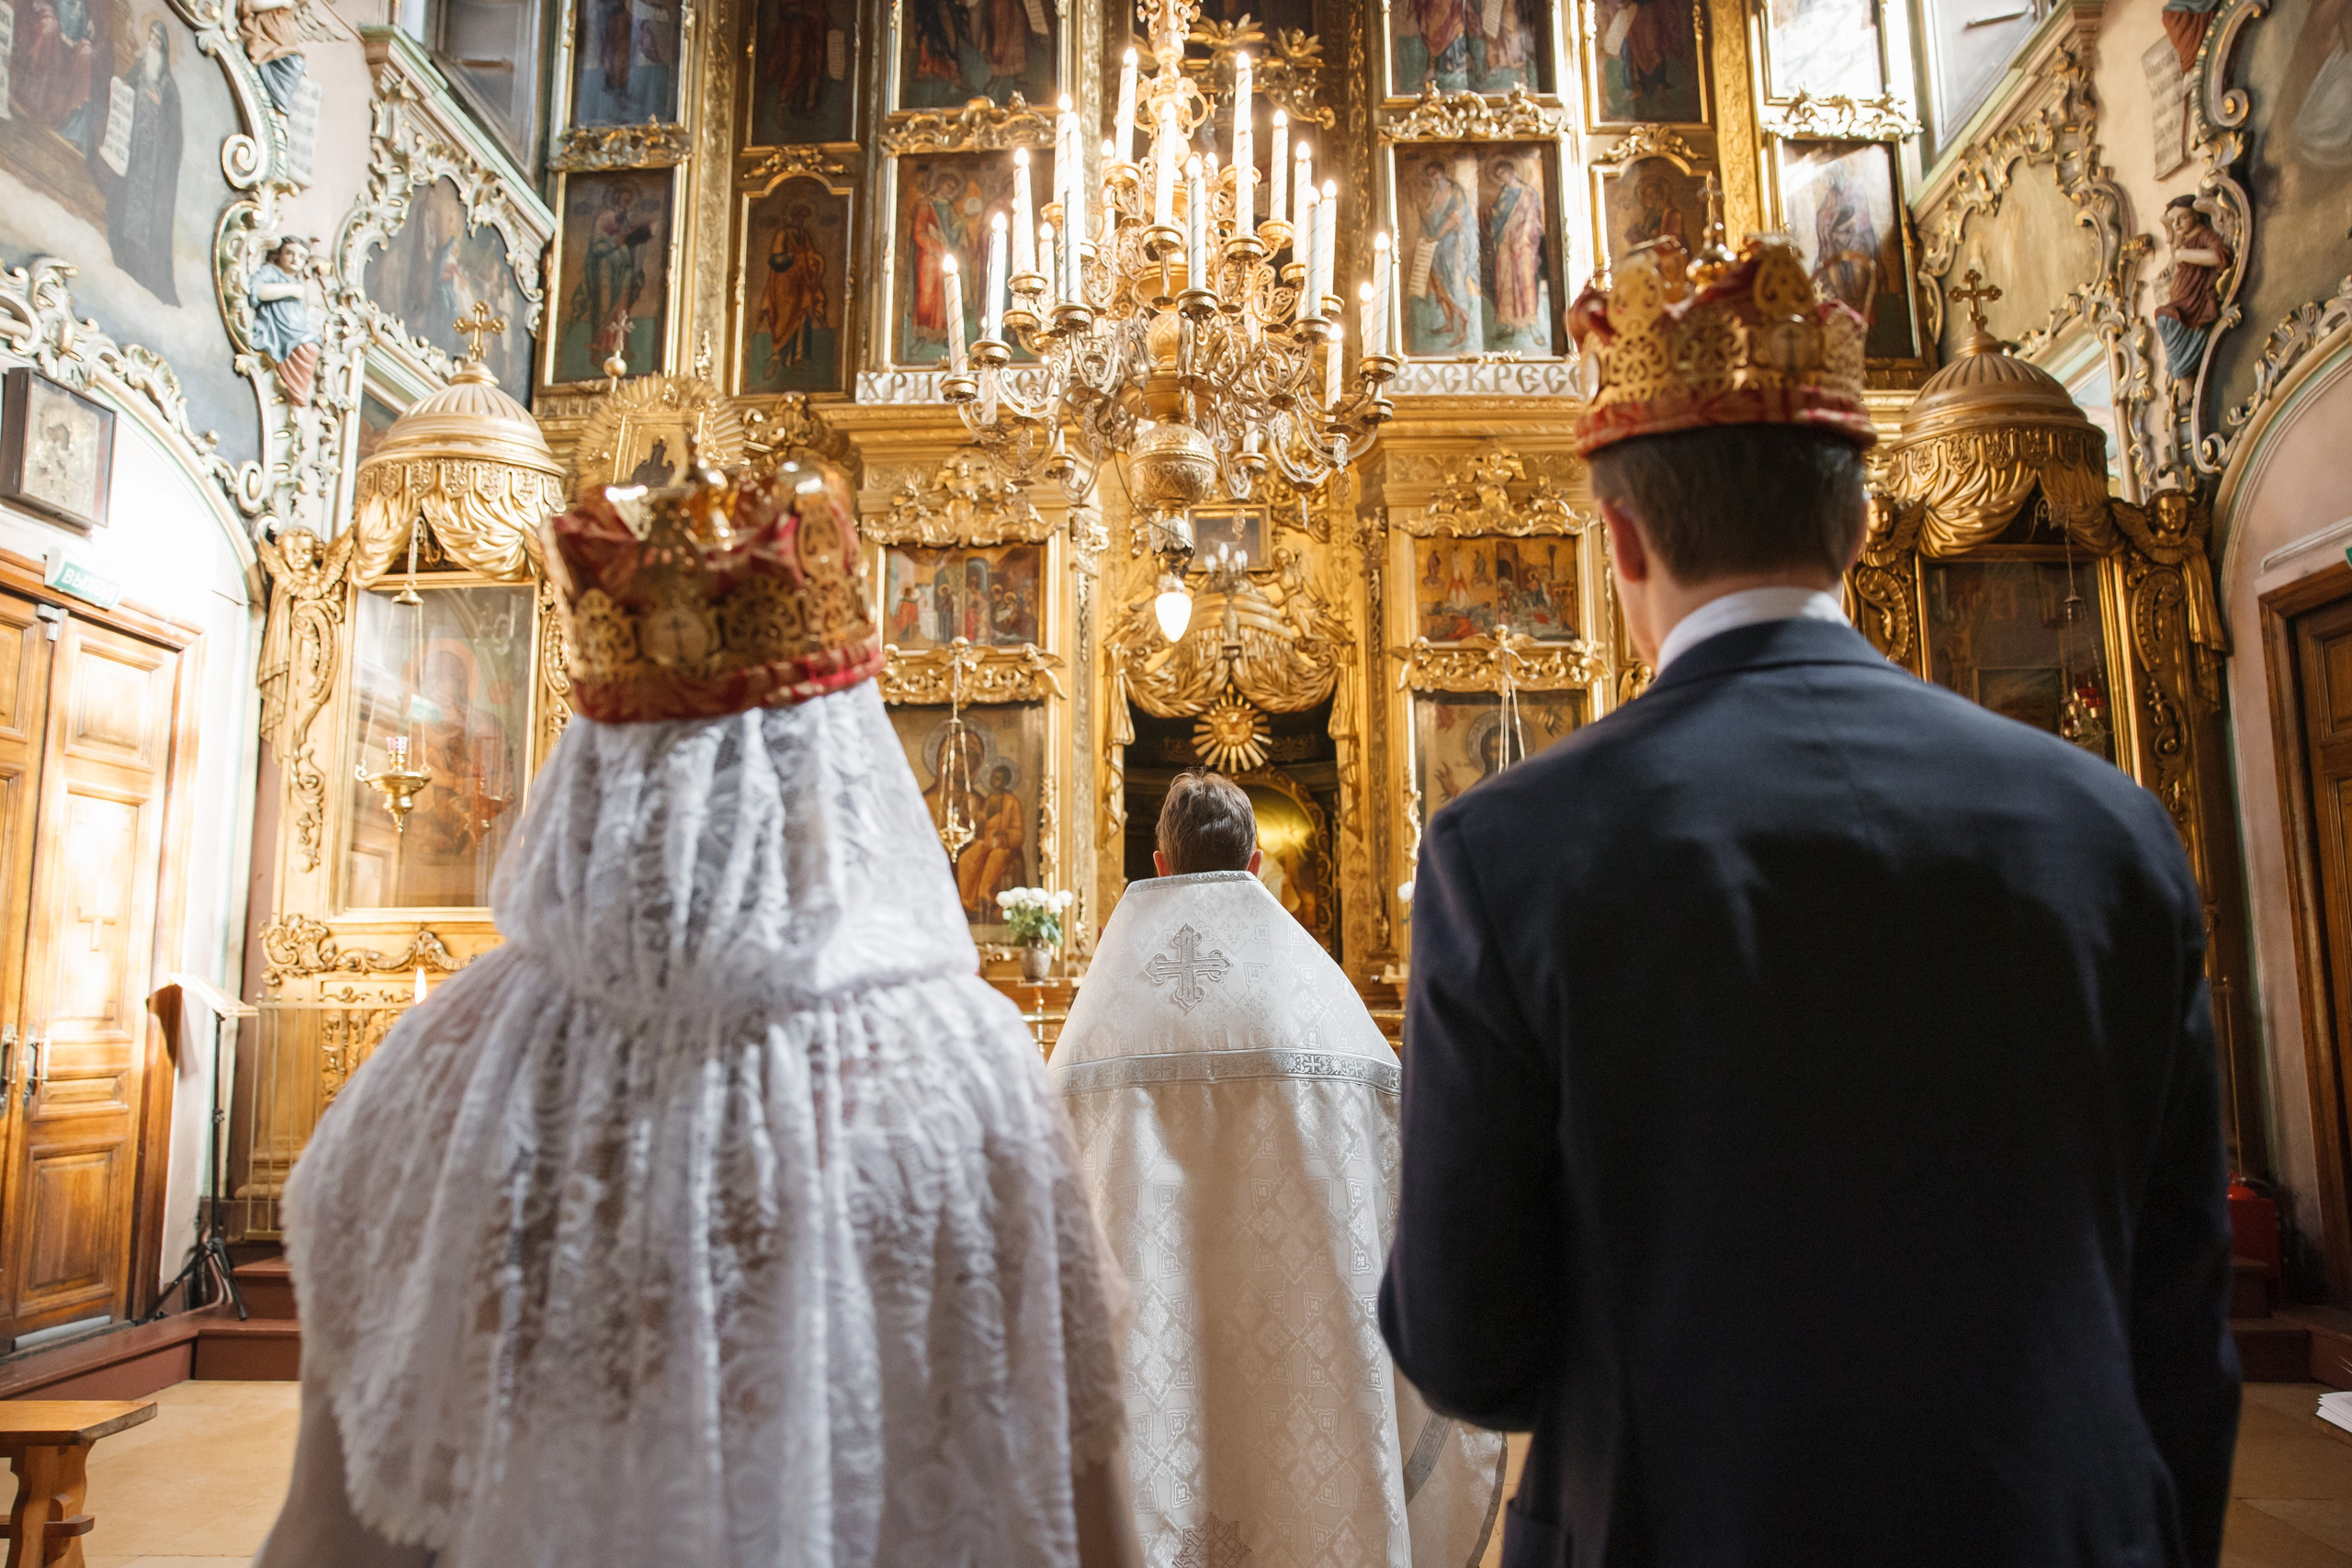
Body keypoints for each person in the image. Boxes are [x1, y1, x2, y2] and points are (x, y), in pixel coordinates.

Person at [1382, 238, 2239, 1568]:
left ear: (1617, 534)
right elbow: (2180, 1319)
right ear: (1856, 521)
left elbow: (1466, 1343)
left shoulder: (1512, 851)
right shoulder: (2111, 828)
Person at [254, 462, 1143, 1568]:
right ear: (838, 767)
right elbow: (1074, 1477)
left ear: (594, 764)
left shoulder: (442, 1059)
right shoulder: (967, 1062)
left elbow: (335, 1522)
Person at [1052, 773, 1505, 1568]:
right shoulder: (1327, 1019)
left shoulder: (1093, 1033)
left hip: (1144, 1382)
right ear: (1258, 861)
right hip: (1308, 1385)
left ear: (1159, 863)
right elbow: (1409, 1191)